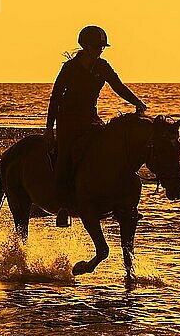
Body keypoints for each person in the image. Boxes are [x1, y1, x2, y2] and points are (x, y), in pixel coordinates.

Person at [46, 26, 147, 227]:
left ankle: (121, 202)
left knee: (110, 150)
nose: (99, 51)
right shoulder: (70, 68)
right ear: (85, 46)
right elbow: (55, 97)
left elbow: (118, 86)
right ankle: (64, 207)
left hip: (91, 119)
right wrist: (49, 128)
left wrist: (137, 102)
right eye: (96, 47)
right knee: (65, 157)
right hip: (68, 121)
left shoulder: (103, 67)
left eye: (102, 47)